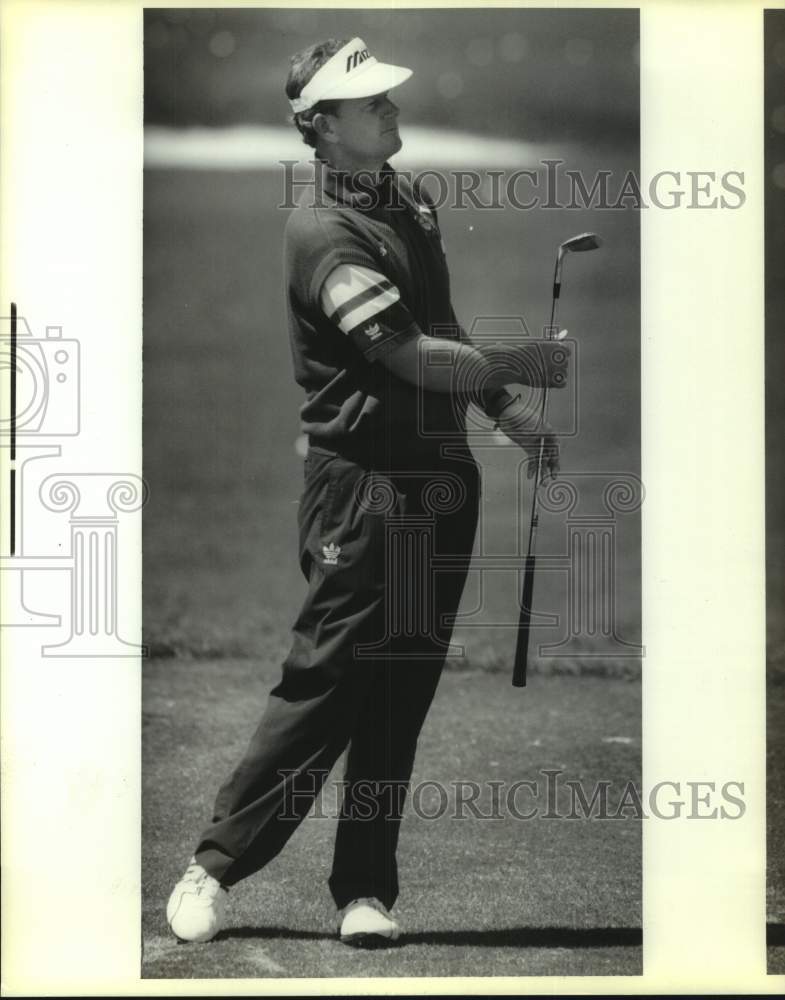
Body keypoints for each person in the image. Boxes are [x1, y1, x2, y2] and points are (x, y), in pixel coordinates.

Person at [166, 36, 563, 948]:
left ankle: (364, 891)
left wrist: (508, 413)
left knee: (400, 687)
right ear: (322, 128)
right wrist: (522, 364)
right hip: (362, 487)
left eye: (387, 97)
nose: (389, 109)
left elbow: (441, 326)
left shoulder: (408, 199)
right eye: (369, 103)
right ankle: (214, 865)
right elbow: (403, 354)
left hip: (438, 483)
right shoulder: (322, 231)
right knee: (329, 678)